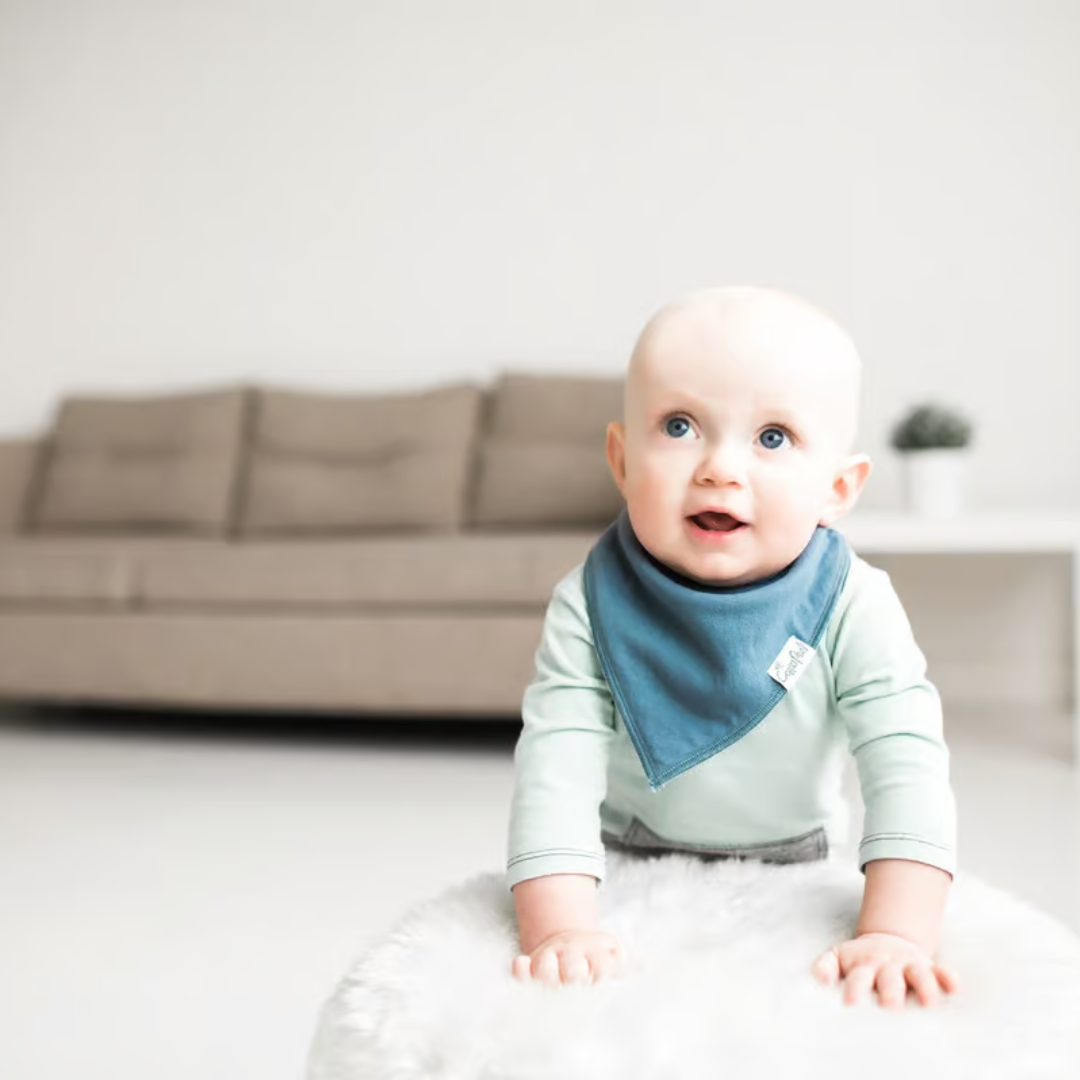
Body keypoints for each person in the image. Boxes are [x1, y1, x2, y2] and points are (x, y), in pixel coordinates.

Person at [507, 286, 958, 1010]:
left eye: (772, 437)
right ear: (621, 462)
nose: (719, 467)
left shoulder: (853, 602)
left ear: (838, 488)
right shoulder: (590, 602)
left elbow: (906, 760)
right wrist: (559, 929)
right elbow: (556, 764)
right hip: (627, 850)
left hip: (796, 857)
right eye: (680, 425)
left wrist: (898, 931)